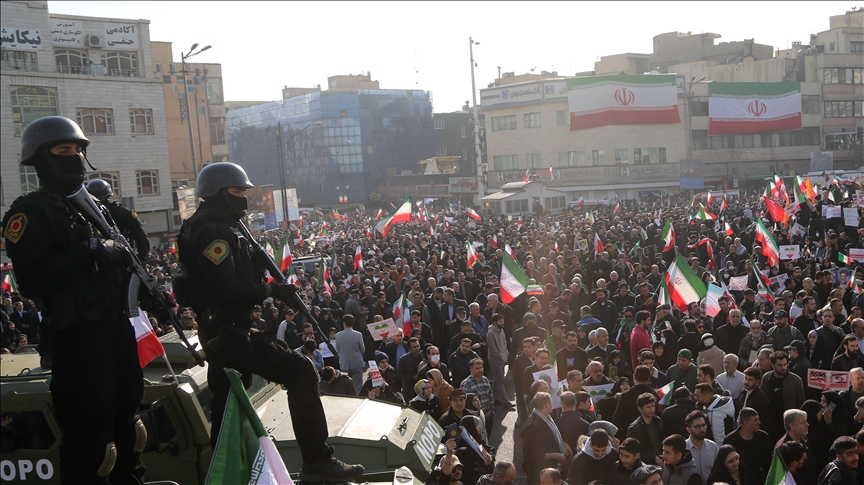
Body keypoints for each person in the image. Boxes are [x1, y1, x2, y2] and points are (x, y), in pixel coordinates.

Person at [174, 161, 363, 481]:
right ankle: (317, 461)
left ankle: (224, 473)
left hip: (218, 331)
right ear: (216, 193)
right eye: (236, 192)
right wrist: (271, 289)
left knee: (226, 403)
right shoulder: (213, 231)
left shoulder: (210, 225)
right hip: (230, 331)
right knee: (301, 371)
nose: (244, 199)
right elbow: (226, 289)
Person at [2, 116, 148, 483]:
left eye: (79, 150)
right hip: (78, 340)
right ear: (41, 158)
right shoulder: (28, 213)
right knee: (92, 446)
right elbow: (34, 280)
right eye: (63, 151)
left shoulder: (88, 208)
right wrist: (90, 250)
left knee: (131, 432)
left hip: (116, 331)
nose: (75, 158)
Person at [85, 178, 149, 260]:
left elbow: (140, 237)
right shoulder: (123, 212)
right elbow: (141, 237)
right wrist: (142, 258)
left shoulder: (87, 213)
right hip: (118, 257)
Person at [522, 392, 570, 484]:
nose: (552, 405)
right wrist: (556, 455)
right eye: (551, 403)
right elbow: (533, 454)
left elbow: (553, 436)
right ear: (547, 405)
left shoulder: (545, 417)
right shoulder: (534, 427)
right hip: (538, 474)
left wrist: (562, 444)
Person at [759, 351, 805, 442]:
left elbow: (801, 402)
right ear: (772, 365)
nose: (783, 367)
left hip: (788, 424)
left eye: (785, 364)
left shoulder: (795, 380)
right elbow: (762, 399)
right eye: (780, 365)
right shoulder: (766, 378)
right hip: (770, 423)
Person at [722, 407, 772, 483]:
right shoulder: (730, 440)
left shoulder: (763, 437)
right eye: (755, 420)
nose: (759, 422)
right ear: (745, 423)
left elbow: (769, 461)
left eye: (758, 419)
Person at [612, 365, 656, 439]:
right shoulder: (654, 395)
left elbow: (617, 419)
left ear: (634, 377)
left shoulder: (626, 395)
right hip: (650, 435)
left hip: (629, 437)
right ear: (648, 378)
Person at [626, 393, 665, 466]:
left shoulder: (658, 421)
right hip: (646, 466)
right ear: (640, 409)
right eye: (648, 407)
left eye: (653, 406)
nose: (652, 410)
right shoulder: (634, 428)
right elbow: (632, 452)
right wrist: (653, 458)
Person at [485, 314, 512, 409]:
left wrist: (506, 354)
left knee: (497, 380)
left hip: (503, 359)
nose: (502, 323)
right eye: (500, 321)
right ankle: (505, 402)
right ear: (494, 322)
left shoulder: (501, 331)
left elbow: (504, 343)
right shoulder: (490, 333)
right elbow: (493, 349)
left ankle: (492, 398)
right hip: (495, 360)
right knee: (501, 381)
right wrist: (501, 357)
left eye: (502, 321)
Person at [684, 410, 718, 484]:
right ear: (688, 429)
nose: (702, 429)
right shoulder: (684, 449)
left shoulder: (713, 446)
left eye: (703, 425)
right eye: (697, 427)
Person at [461, 358, 494, 432]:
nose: (480, 370)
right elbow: (465, 404)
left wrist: (492, 409)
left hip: (488, 415)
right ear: (471, 370)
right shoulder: (465, 384)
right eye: (477, 368)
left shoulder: (485, 379)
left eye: (481, 367)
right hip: (476, 419)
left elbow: (490, 395)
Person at [335, 315, 366, 394]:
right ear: (353, 322)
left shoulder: (338, 335)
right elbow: (362, 349)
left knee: (345, 384)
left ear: (344, 323)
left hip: (344, 362)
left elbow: (337, 349)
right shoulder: (358, 334)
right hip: (356, 362)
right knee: (358, 386)